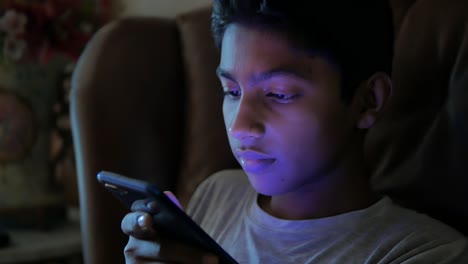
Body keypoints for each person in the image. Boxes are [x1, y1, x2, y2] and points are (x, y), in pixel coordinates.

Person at [121, 0, 468, 263]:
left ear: (367, 101)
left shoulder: (422, 252)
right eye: (232, 91)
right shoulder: (216, 194)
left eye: (279, 94)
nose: (240, 127)